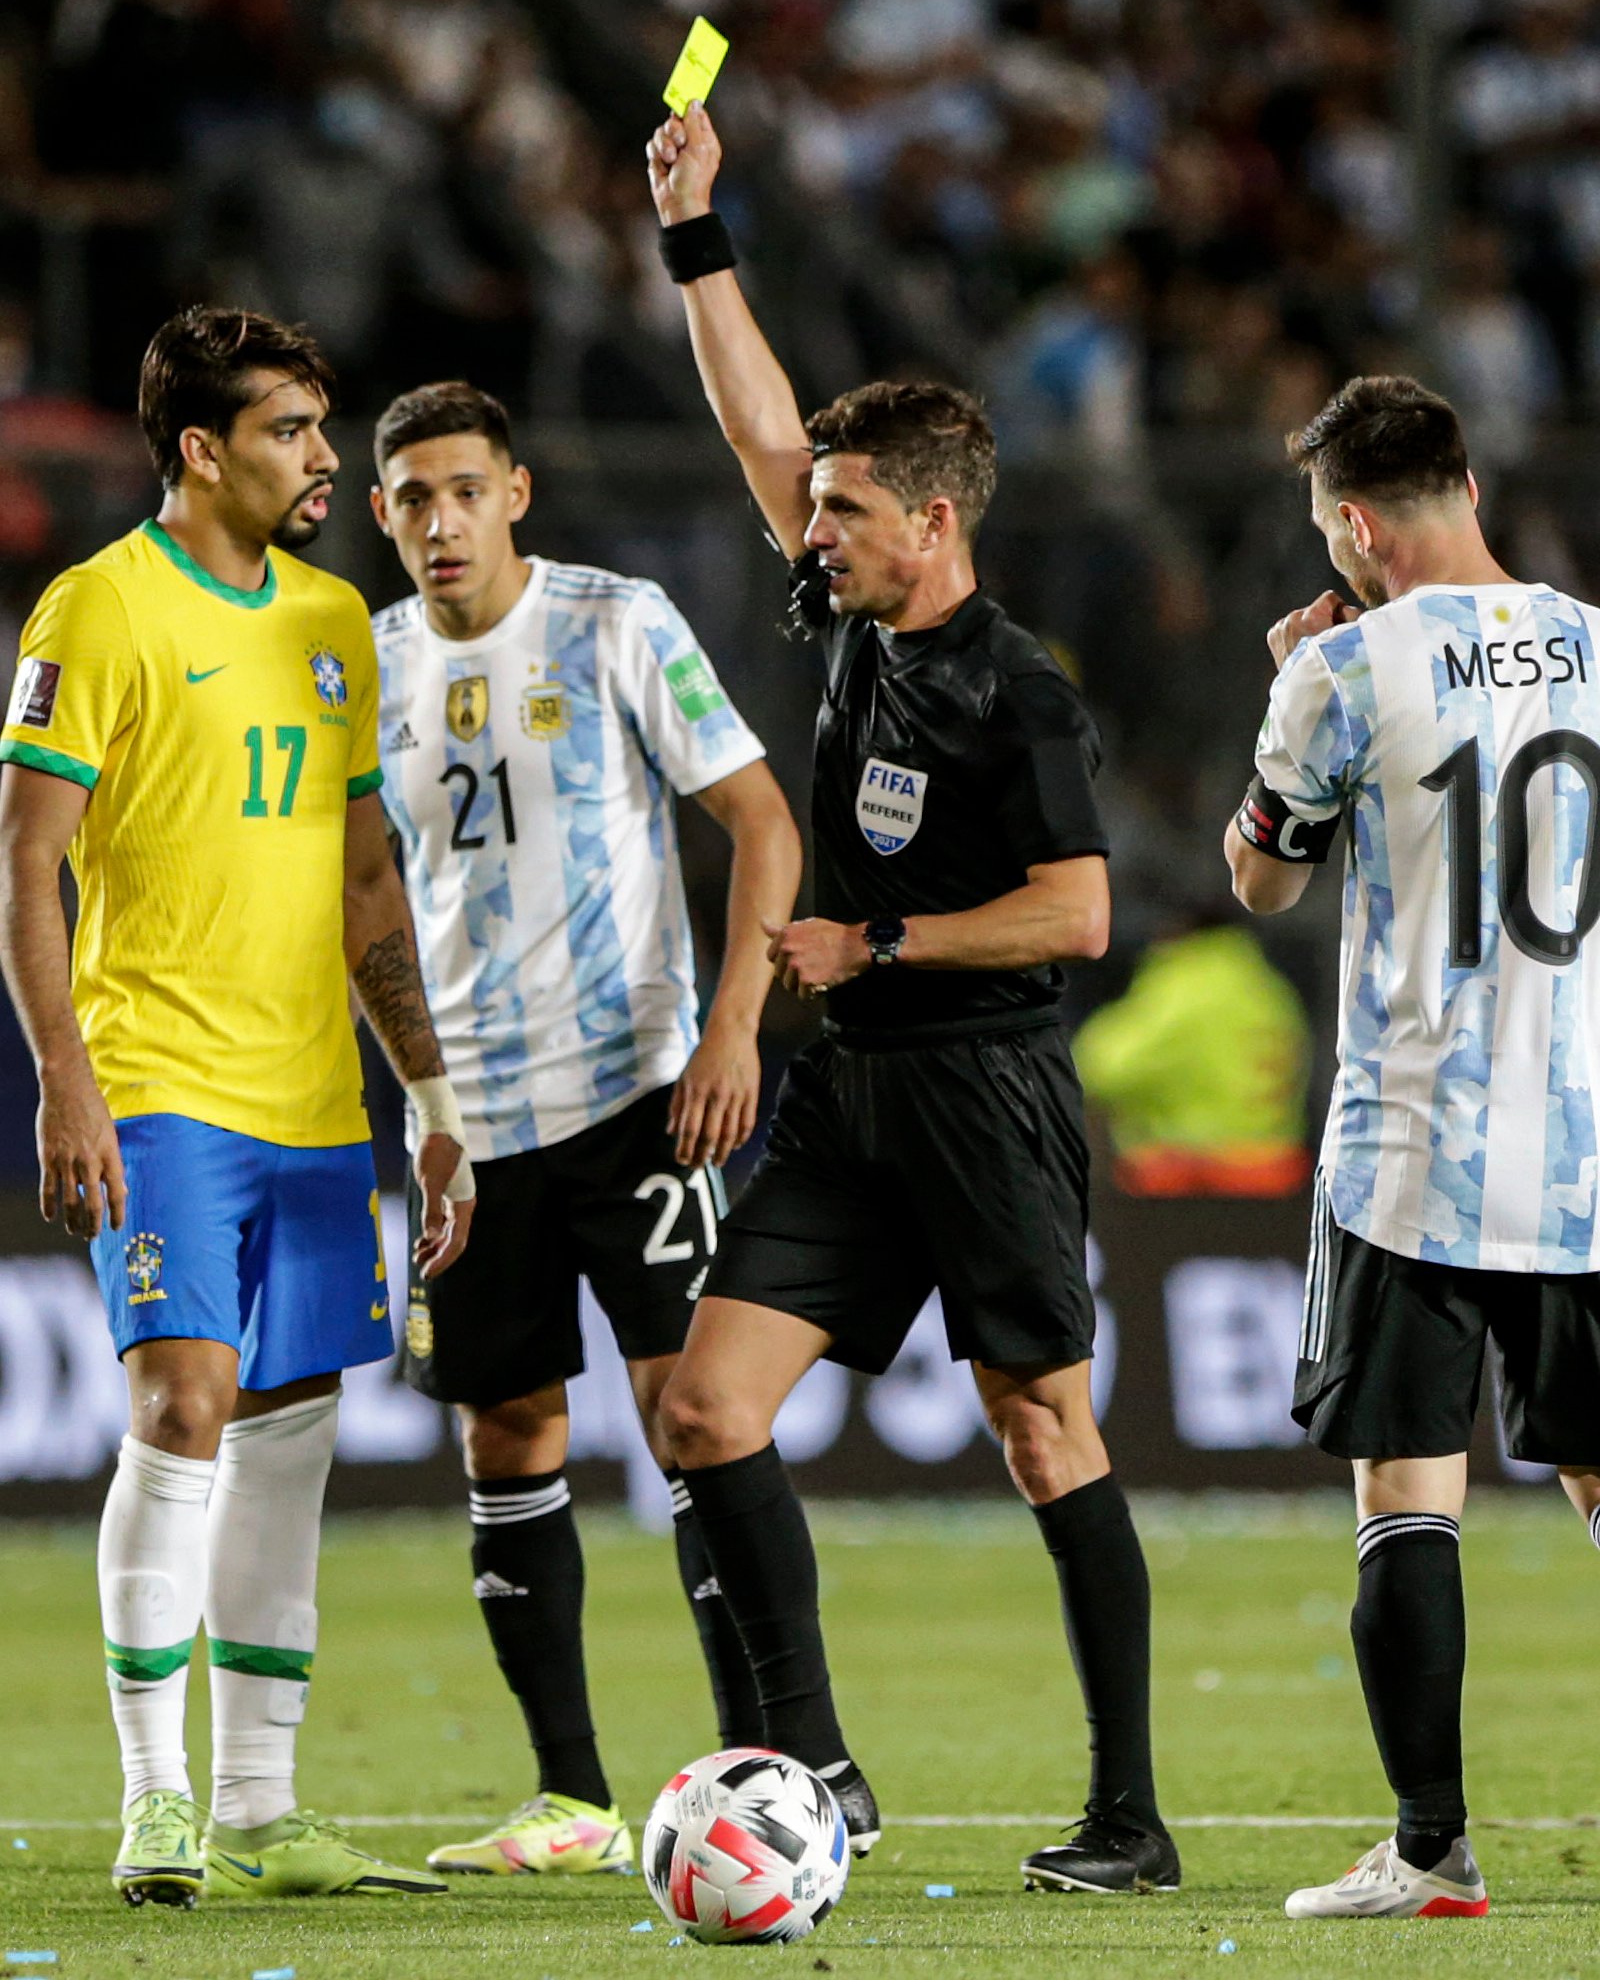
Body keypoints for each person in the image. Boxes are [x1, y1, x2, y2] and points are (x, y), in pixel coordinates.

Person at [645, 103, 1178, 1894]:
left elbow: (1083, 912)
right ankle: (811, 1760)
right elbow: (759, 429)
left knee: (1045, 1430)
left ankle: (1130, 1815)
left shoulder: (1017, 690)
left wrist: (870, 946)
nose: (816, 530)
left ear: (935, 522)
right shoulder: (854, 612)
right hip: (853, 1101)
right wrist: (696, 235)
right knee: (704, 1410)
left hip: (984, 1090)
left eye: (849, 512)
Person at [0, 308, 475, 1908]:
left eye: (322, 428)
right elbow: (26, 861)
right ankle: (157, 1799)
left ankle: (266, 1807)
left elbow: (364, 883)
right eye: (290, 431)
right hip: (161, 1087)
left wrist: (427, 1092)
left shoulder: (339, 621)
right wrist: (66, 1077)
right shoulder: (101, 608)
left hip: (313, 1102)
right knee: (181, 1401)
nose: (326, 459)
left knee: (289, 1431)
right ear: (202, 451)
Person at [367, 379, 802, 1876]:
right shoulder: (363, 672)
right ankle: (570, 1796)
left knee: (699, 1420)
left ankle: (768, 1766)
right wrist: (419, 1108)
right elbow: (368, 907)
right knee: (509, 1430)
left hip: (639, 1097)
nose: (440, 521)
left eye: (465, 490)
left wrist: (734, 1027)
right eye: (412, 496)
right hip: (470, 1128)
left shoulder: (620, 622)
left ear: (518, 494)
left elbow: (761, 821)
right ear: (382, 515)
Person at [1226, 373, 1600, 1921]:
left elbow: (1260, 881)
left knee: (1407, 1491)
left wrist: (1284, 693)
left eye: (1334, 528)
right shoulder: (1596, 641)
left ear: (1359, 524)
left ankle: (1434, 1853)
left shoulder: (1346, 665)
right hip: (1587, 1145)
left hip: (1416, 1146)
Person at [1073, 908, 1313, 1198]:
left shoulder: (1188, 984)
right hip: (1276, 1169)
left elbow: (1100, 1069)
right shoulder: (1269, 988)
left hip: (1199, 1175)